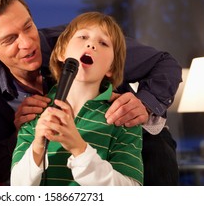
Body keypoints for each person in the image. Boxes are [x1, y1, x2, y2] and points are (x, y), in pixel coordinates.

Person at [0, 0, 182, 185]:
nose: (26, 43)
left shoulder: (75, 40)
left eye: (28, 27)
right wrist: (24, 133)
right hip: (52, 167)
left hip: (128, 138)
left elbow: (165, 64)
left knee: (157, 150)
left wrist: (145, 104)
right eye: (9, 39)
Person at [11, 11, 143, 185]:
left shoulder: (122, 118)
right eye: (82, 37)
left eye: (103, 43)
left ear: (111, 67)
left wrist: (79, 150)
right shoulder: (35, 114)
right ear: (61, 52)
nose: (91, 45)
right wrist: (37, 147)